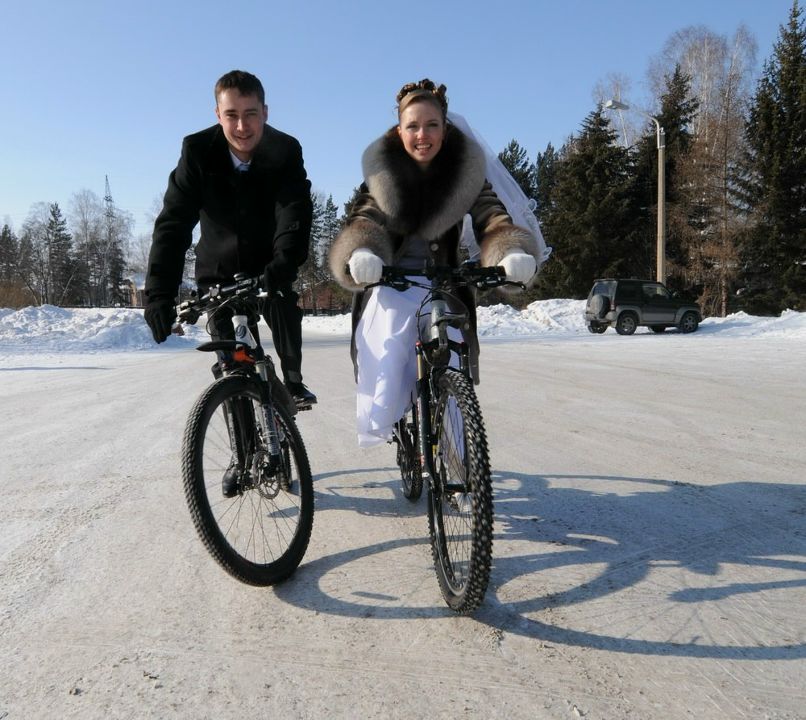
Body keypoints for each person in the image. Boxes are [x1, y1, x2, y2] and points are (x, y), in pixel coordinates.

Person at [328, 78, 541, 447]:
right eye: (412, 126)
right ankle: (397, 424)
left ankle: (460, 455)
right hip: (392, 282)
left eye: (431, 125)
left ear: (445, 129)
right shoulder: (384, 173)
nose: (422, 135)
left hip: (442, 284)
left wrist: (509, 250)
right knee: (392, 342)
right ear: (400, 130)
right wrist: (362, 251)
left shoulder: (465, 173)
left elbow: (491, 214)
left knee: (452, 349)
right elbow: (367, 215)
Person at [144, 69, 317, 407]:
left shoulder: (285, 150)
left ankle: (293, 383)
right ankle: (243, 445)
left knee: (283, 308)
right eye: (231, 116)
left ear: (265, 112)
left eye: (251, 114)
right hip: (219, 272)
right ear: (217, 115)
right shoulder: (197, 151)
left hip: (270, 264)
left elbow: (293, 209)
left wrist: (285, 259)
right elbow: (174, 224)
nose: (242, 127)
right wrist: (159, 294)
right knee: (232, 365)